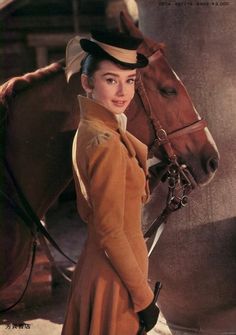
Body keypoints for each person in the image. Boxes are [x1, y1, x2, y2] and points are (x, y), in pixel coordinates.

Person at [62, 30, 159, 335]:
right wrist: (144, 300)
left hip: (103, 271)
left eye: (129, 80)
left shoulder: (93, 130)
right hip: (114, 283)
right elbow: (111, 231)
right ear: (87, 83)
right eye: (110, 79)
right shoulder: (105, 142)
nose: (123, 91)